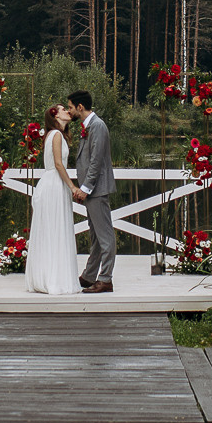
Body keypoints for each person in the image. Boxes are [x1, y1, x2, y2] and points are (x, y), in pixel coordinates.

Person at [25, 104, 81, 295]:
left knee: (52, 230)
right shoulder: (56, 135)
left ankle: (48, 275)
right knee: (55, 229)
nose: (68, 111)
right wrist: (72, 186)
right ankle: (52, 278)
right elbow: (58, 164)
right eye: (63, 109)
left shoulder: (55, 135)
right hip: (54, 185)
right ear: (55, 115)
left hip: (52, 184)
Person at [67, 90, 117, 293]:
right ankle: (89, 276)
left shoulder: (97, 126)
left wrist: (85, 188)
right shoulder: (88, 127)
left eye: (70, 106)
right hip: (92, 190)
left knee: (105, 235)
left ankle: (105, 279)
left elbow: (96, 161)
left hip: (96, 189)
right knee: (95, 235)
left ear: (80, 107)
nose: (69, 110)